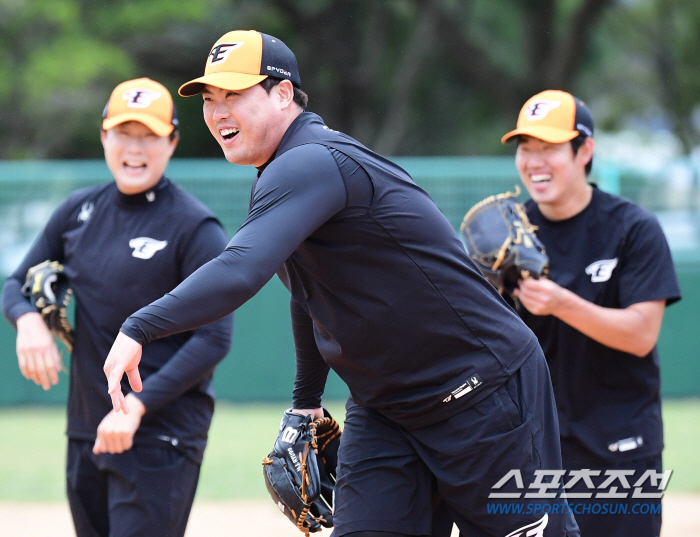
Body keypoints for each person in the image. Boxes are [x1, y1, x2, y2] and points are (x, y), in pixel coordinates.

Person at [102, 31, 580, 537]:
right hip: (387, 411)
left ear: (282, 94)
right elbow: (309, 292)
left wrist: (140, 326)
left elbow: (241, 268)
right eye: (210, 98)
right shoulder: (280, 172)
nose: (219, 110)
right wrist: (306, 402)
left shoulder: (311, 161)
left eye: (235, 94)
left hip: (482, 394)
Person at [1, 77, 233, 537]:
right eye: (124, 133)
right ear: (104, 135)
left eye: (149, 135)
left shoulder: (195, 227)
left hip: (161, 434)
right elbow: (16, 284)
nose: (135, 148)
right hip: (87, 430)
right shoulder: (77, 211)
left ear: (172, 142)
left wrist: (139, 406)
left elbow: (213, 340)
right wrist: (27, 321)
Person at [500, 89, 681, 536]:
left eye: (549, 148)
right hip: (533, 448)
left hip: (620, 450)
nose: (534, 161)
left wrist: (561, 302)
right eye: (526, 148)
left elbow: (641, 333)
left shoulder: (633, 229)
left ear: (585, 151)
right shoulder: (507, 237)